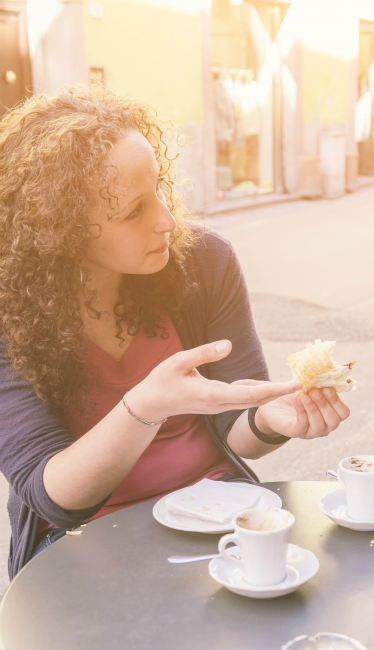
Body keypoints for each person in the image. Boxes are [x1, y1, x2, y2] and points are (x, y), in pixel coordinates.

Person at [0, 87, 350, 578]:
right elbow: (52, 497)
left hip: (216, 515)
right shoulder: (9, 309)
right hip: (86, 541)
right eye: (133, 211)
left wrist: (271, 419)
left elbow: (234, 426)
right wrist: (145, 407)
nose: (167, 220)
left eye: (160, 189)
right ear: (62, 231)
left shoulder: (204, 261)